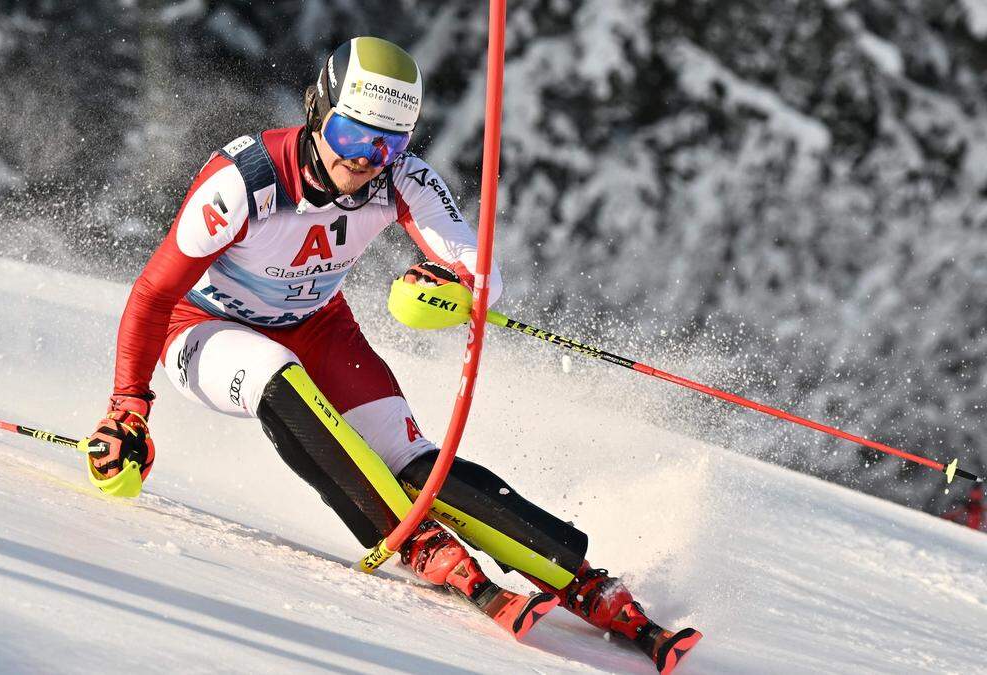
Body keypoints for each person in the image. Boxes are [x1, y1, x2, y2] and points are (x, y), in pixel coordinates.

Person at [83, 36, 699, 672]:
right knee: (275, 375)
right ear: (318, 111)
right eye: (352, 137)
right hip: (203, 329)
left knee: (407, 456)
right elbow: (154, 292)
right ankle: (416, 543)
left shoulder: (399, 177)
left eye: (386, 145)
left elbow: (474, 264)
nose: (364, 162)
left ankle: (578, 575)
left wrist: (458, 285)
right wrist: (128, 407)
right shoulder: (246, 181)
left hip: (318, 327)